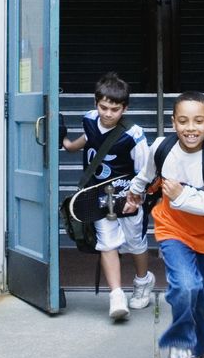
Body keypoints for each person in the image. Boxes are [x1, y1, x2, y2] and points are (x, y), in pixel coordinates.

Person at [125, 91, 204, 358]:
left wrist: (182, 195)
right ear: (173, 123)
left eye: (198, 121)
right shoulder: (162, 147)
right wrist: (135, 193)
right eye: (183, 121)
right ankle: (180, 342)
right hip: (171, 229)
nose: (191, 127)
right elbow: (147, 174)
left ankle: (199, 346)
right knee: (185, 286)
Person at [61, 72, 154, 319]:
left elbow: (146, 171)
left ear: (125, 108)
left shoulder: (134, 135)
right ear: (95, 103)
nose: (108, 113)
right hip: (97, 197)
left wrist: (136, 198)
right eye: (103, 107)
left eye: (115, 109)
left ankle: (143, 282)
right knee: (107, 242)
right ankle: (116, 296)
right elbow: (89, 140)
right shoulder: (89, 120)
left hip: (127, 199)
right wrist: (69, 145)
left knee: (135, 244)